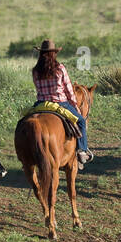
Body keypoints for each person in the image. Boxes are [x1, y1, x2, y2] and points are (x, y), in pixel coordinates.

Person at [32, 39, 92, 167]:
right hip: (60, 103)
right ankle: (82, 150)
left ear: (41, 54)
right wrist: (74, 105)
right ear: (54, 53)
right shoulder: (60, 68)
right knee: (81, 121)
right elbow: (69, 90)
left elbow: (37, 88)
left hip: (40, 104)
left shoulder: (35, 70)